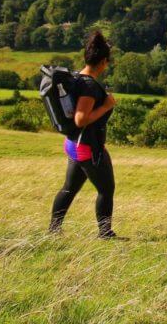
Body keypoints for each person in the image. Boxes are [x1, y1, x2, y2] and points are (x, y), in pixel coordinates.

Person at [49, 30, 118, 238]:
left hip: (73, 143)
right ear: (104, 62)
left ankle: (53, 230)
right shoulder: (89, 86)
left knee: (69, 188)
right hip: (87, 146)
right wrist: (106, 106)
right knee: (106, 189)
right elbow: (81, 119)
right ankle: (105, 233)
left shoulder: (77, 78)